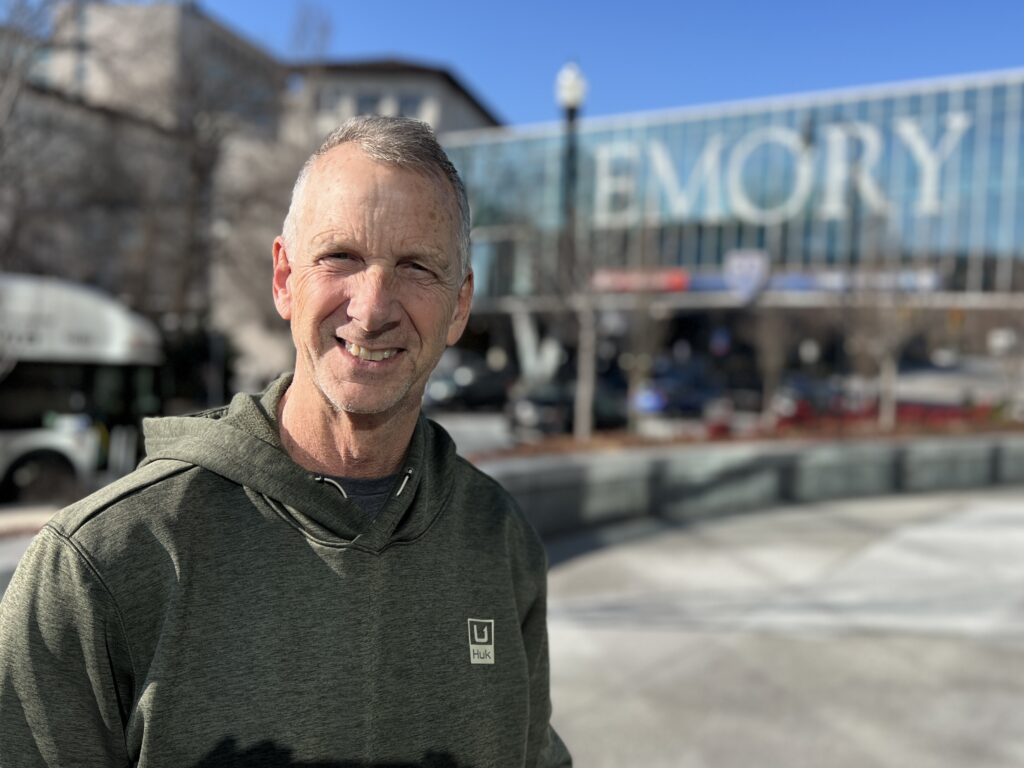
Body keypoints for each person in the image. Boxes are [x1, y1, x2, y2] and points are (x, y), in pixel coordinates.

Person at [0, 116, 572, 767]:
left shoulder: (500, 542)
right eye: (340, 257)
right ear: (283, 278)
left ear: (460, 307)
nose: (373, 305)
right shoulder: (99, 564)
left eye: (416, 266)